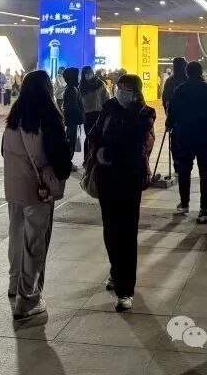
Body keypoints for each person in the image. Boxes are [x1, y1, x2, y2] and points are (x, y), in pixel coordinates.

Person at [3, 70, 73, 319]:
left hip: (14, 188)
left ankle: (14, 283)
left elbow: (4, 151)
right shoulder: (48, 116)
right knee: (35, 242)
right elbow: (59, 155)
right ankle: (28, 299)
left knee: (16, 235)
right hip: (38, 189)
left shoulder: (14, 116)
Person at [87, 74, 156, 311]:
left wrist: (108, 154)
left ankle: (125, 290)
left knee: (127, 232)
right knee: (110, 228)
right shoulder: (109, 108)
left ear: (135, 92)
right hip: (106, 178)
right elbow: (93, 134)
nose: (120, 91)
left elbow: (138, 147)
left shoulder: (144, 114)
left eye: (124, 88)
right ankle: (115, 271)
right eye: (118, 87)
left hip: (129, 179)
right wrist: (97, 151)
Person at [167, 61, 207, 223]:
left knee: (184, 171)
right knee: (206, 173)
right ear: (201, 72)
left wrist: (170, 124)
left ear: (187, 73)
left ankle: (184, 204)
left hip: (185, 137)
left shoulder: (180, 90)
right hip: (206, 137)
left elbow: (173, 111)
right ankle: (204, 210)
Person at [80, 65, 110, 134]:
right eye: (86, 73)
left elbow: (106, 97)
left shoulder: (100, 84)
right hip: (87, 114)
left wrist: (106, 111)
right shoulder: (82, 85)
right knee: (88, 134)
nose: (88, 75)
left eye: (90, 73)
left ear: (93, 73)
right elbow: (80, 100)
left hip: (99, 113)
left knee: (98, 134)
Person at [61, 67, 84, 152]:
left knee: (72, 139)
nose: (79, 77)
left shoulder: (71, 88)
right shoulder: (71, 89)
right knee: (71, 140)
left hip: (71, 119)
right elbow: (73, 106)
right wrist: (80, 116)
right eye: (77, 76)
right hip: (73, 119)